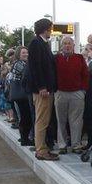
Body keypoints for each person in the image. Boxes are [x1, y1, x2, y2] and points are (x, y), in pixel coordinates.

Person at [28, 18, 58, 161]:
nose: (51, 31)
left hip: (47, 89)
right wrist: (42, 87)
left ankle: (43, 147)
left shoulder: (42, 43)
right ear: (45, 29)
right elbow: (36, 67)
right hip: (42, 90)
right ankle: (40, 150)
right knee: (41, 120)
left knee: (44, 119)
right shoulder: (36, 43)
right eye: (50, 28)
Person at [53, 36, 88, 154]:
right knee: (60, 120)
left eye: (69, 43)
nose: (67, 45)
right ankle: (62, 145)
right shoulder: (56, 59)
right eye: (65, 43)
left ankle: (76, 145)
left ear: (73, 46)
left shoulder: (79, 58)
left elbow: (85, 75)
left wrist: (83, 90)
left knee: (76, 120)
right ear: (61, 46)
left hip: (77, 93)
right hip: (60, 93)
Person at [9, 46, 34, 147]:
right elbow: (27, 74)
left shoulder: (22, 63)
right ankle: (24, 139)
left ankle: (24, 138)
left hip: (21, 95)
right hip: (21, 95)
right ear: (18, 54)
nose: (26, 54)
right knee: (25, 117)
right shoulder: (19, 64)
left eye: (27, 53)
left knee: (25, 117)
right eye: (23, 53)